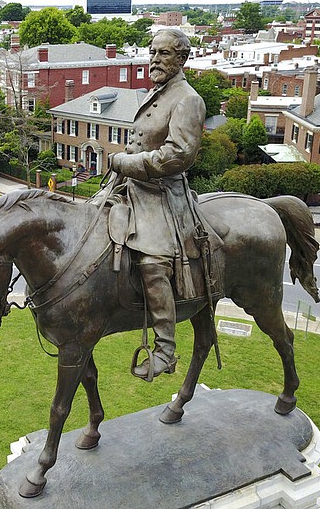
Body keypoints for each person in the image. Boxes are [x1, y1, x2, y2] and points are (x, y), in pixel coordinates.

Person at [108, 28, 206, 380]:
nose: (154, 60)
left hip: (162, 193)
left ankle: (165, 350)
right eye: (152, 53)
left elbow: (179, 154)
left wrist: (126, 162)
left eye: (163, 54)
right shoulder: (158, 92)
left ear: (181, 59)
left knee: (152, 263)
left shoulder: (187, 99)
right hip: (129, 184)